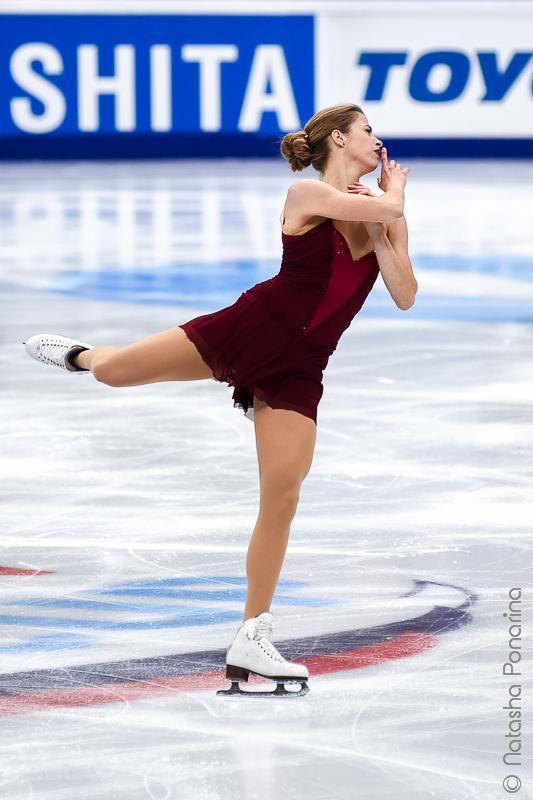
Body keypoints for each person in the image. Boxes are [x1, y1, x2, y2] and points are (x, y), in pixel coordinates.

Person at [23, 103, 416, 698]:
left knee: (282, 495)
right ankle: (85, 356)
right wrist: (394, 197)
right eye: (367, 131)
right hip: (252, 327)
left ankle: (252, 634)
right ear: (340, 138)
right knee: (118, 372)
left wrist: (389, 231)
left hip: (301, 368)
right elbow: (377, 206)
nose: (377, 139)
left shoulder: (384, 213)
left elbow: (405, 294)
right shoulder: (308, 197)